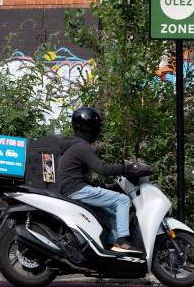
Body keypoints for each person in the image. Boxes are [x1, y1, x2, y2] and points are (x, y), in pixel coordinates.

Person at [58, 107, 151, 254]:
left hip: (72, 189)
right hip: (76, 190)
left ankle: (111, 244)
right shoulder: (82, 147)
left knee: (111, 209)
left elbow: (79, 175)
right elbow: (103, 169)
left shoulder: (73, 146)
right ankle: (122, 241)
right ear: (90, 128)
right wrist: (127, 168)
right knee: (123, 201)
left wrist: (107, 186)